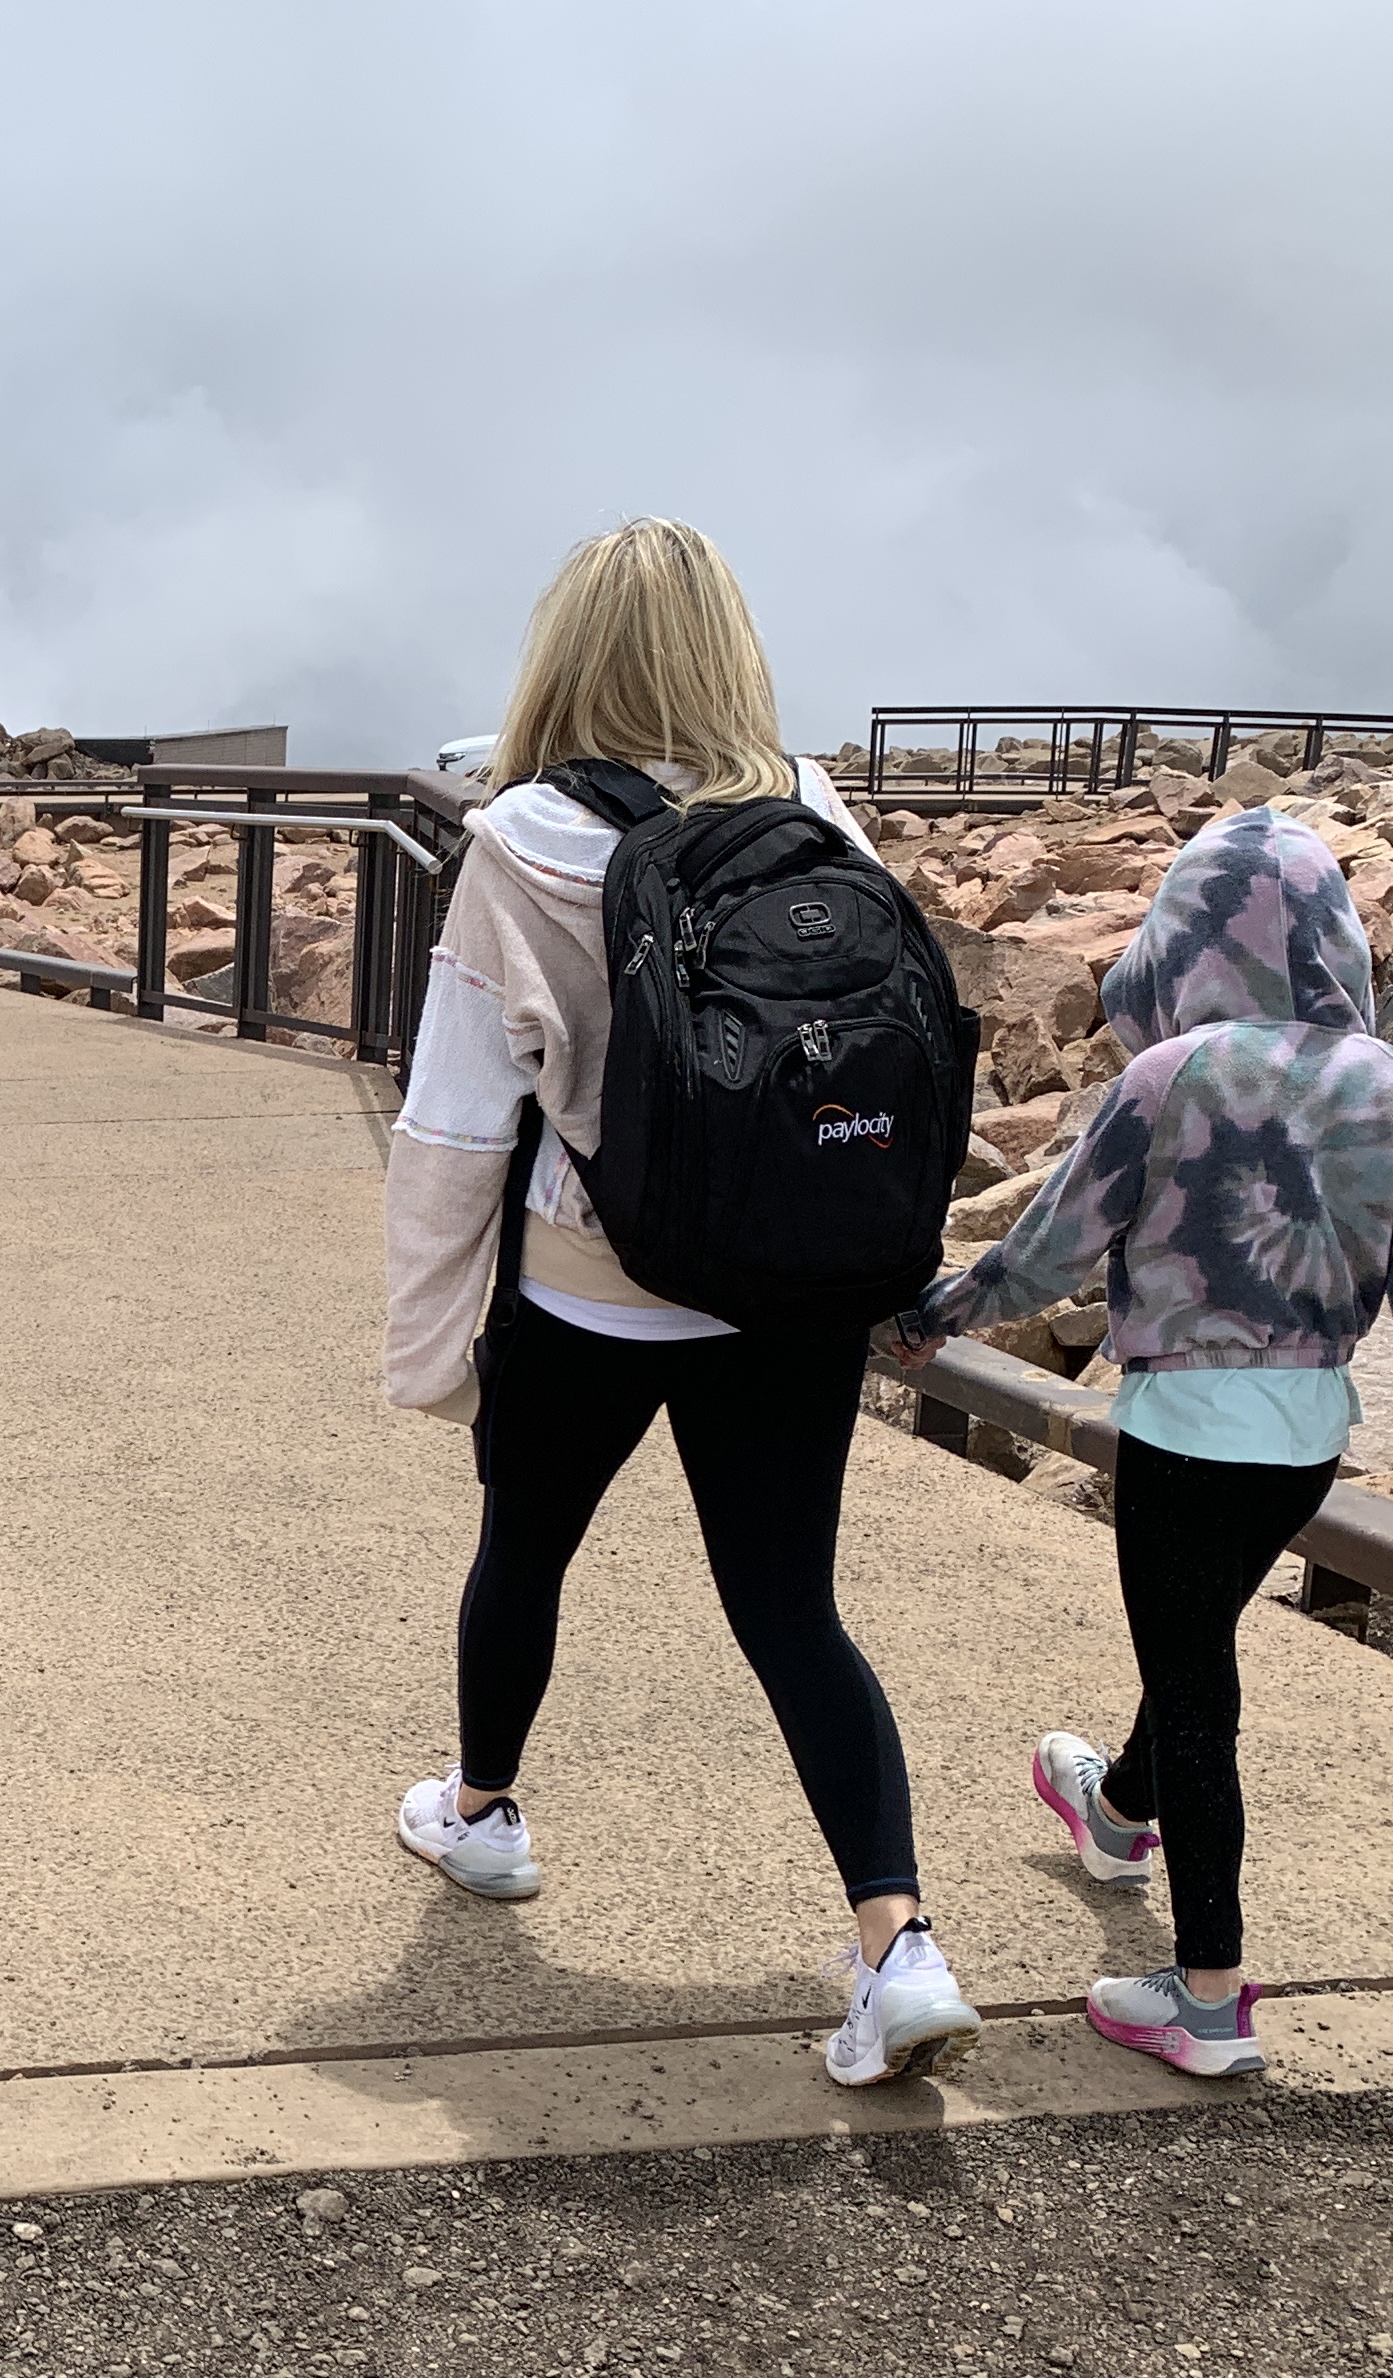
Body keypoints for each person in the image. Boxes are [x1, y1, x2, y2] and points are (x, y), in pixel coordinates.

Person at [384, 518, 981, 2088]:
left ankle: (487, 1815)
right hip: (786, 1288)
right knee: (793, 1611)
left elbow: (455, 1121)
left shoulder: (518, 837)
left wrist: (435, 1341)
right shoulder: (812, 808)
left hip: (592, 1287)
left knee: (524, 1553)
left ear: (566, 655)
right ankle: (897, 1944)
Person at [891, 806, 1393, 2078]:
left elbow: (1052, 1247)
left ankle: (1206, 1994)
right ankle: (1112, 1812)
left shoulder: (1168, 1077)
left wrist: (942, 1312)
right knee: (1198, 1637)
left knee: (1201, 1687)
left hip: (1178, 1430)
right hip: (1310, 1435)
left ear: (1184, 937)